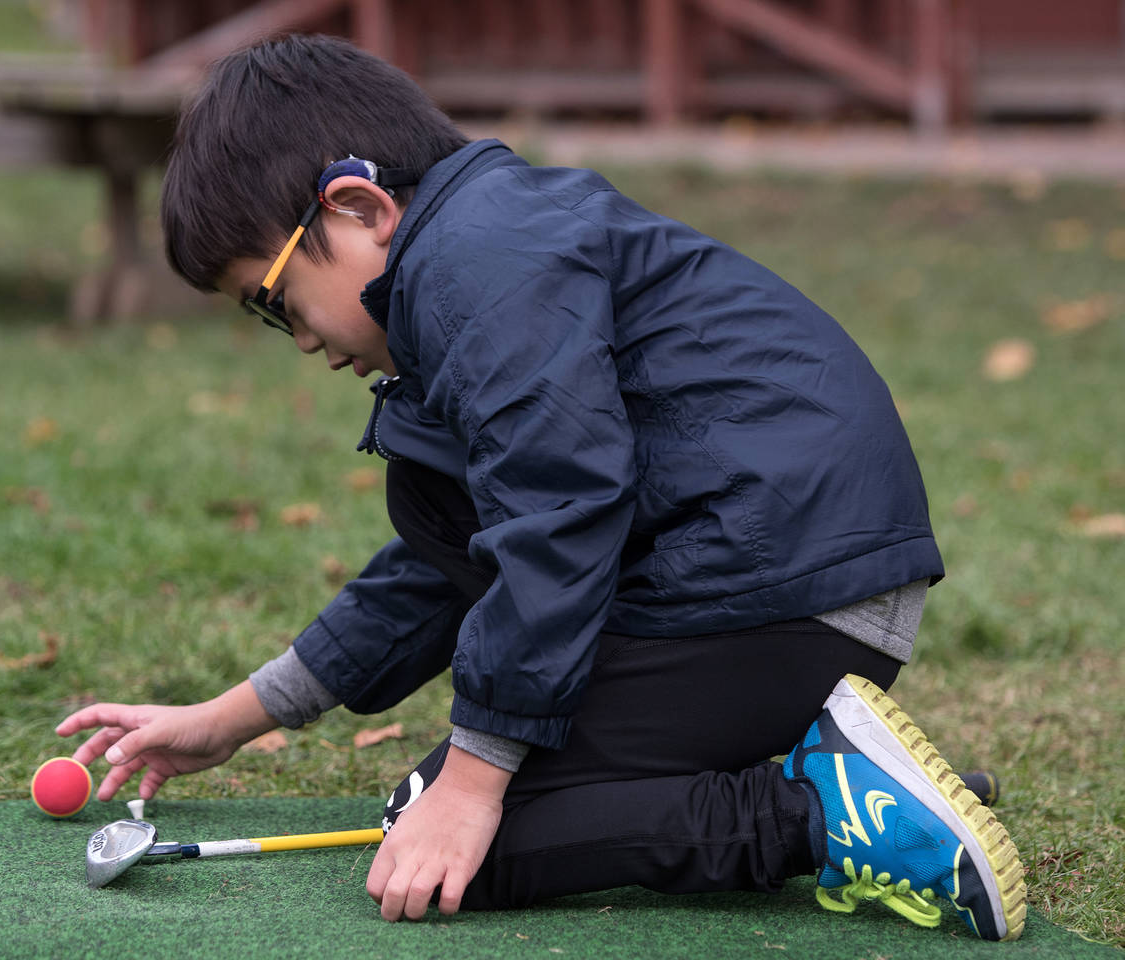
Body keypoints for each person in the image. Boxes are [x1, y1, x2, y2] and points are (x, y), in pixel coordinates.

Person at [55, 34, 1025, 940]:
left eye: (274, 303)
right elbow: (451, 564)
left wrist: (476, 779)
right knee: (434, 816)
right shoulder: (476, 254)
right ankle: (876, 791)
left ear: (357, 208)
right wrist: (231, 718)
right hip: (777, 575)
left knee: (449, 850)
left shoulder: (479, 266)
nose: (300, 339)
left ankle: (827, 817)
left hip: (780, 586)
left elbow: (558, 511)